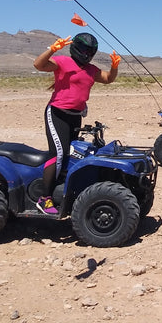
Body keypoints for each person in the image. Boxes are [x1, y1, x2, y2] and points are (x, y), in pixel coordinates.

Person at [33, 33, 120, 214]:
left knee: (72, 152)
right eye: (83, 49)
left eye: (90, 51)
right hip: (57, 113)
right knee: (58, 152)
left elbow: (108, 79)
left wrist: (114, 67)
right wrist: (52, 49)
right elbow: (39, 65)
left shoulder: (91, 69)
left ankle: (62, 188)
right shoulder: (63, 62)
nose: (86, 53)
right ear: (75, 48)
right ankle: (44, 198)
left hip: (75, 115)